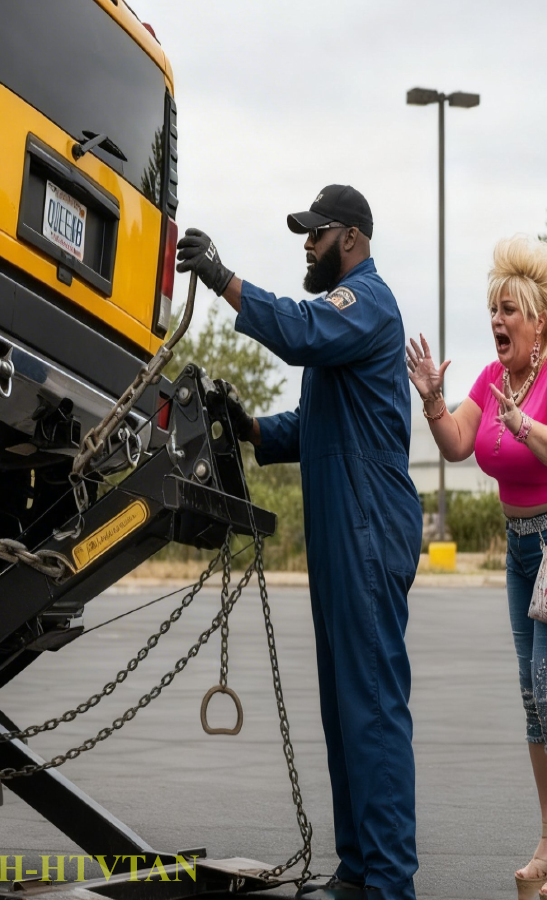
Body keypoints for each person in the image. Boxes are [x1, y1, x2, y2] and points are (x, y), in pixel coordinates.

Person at [177, 185, 422, 900]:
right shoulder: (345, 333)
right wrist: (249, 426)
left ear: (349, 236)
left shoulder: (365, 302)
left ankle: (389, 883)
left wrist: (224, 279)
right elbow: (313, 425)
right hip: (346, 527)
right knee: (346, 705)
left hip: (369, 526)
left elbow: (299, 330)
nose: (307, 247)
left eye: (314, 235)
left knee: (371, 706)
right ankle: (359, 868)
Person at [405, 235, 547, 900]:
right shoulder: (494, 380)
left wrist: (525, 428)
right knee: (532, 699)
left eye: (511, 310)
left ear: (540, 320)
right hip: (521, 548)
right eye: (494, 310)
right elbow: (458, 443)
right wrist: (432, 400)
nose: (498, 321)